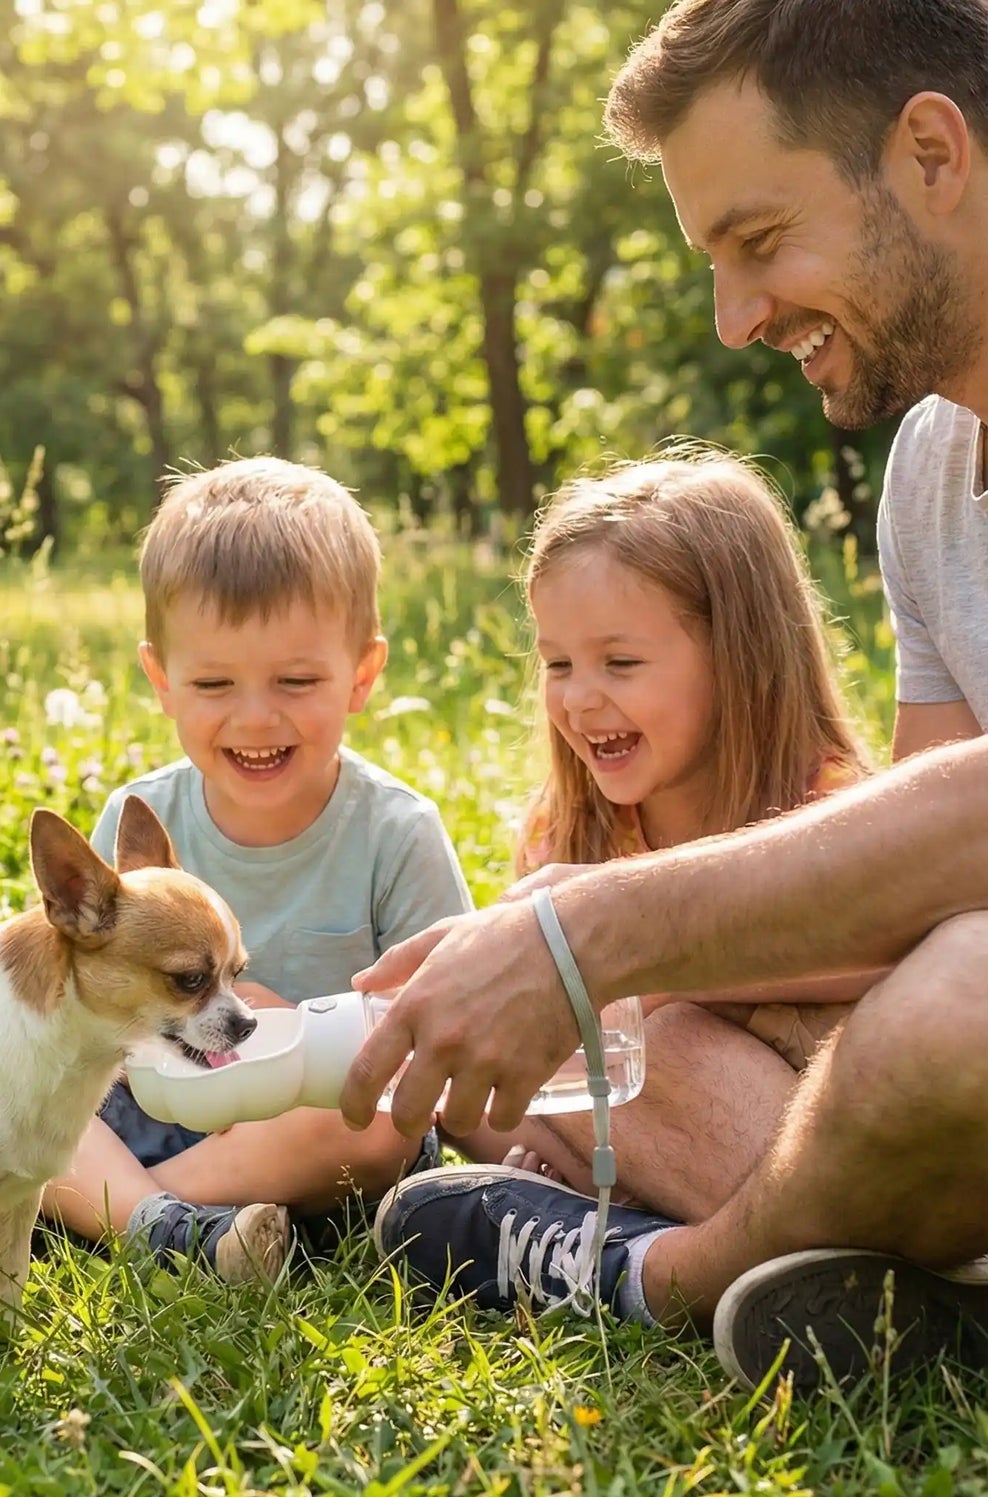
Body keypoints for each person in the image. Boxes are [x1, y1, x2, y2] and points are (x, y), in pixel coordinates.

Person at [351, 0, 988, 1390]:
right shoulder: (933, 474)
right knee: (685, 1043)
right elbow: (914, 885)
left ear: (933, 154)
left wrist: (596, 930)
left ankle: (659, 1274)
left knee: (960, 1005)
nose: (737, 319)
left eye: (761, 242)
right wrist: (592, 966)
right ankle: (917, 1289)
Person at [39, 456, 473, 1283]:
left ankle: (123, 1213)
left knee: (378, 1125)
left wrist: (286, 1027)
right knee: (31, 1086)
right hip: (163, 1099)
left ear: (362, 676)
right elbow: (80, 1009)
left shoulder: (396, 833)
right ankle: (183, 1232)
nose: (256, 717)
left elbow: (439, 1039)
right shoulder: (141, 817)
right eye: (213, 683)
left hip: (316, 1126)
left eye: (296, 681)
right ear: (163, 682)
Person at [443, 449, 873, 1208]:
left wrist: (660, 966)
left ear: (738, 657)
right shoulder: (567, 832)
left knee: (665, 1040)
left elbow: (880, 951)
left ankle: (658, 1221)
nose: (579, 699)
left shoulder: (832, 811)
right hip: (636, 1127)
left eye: (620, 662)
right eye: (558, 665)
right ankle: (601, 1202)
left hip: (793, 1134)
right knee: (470, 1067)